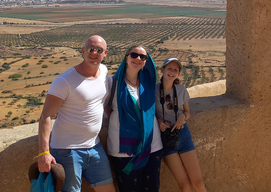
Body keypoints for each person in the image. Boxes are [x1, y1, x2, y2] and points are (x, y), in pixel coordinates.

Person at [37, 35, 115, 192]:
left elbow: (101, 101)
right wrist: (44, 152)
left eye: (99, 50)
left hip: (95, 146)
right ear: (83, 51)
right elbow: (46, 116)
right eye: (90, 49)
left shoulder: (104, 72)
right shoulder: (64, 81)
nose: (94, 52)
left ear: (105, 53)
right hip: (67, 150)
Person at [106, 45, 163, 192]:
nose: (138, 59)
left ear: (146, 61)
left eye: (142, 57)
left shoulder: (149, 84)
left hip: (152, 145)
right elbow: (103, 107)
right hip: (123, 149)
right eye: (134, 55)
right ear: (126, 57)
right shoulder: (112, 84)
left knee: (152, 188)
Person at [156, 57, 207, 192]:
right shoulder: (154, 90)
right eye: (169, 69)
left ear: (178, 74)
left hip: (183, 135)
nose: (172, 72)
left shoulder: (181, 90)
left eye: (175, 70)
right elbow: (149, 113)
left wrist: (182, 117)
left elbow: (187, 112)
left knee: (198, 182)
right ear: (162, 70)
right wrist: (159, 122)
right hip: (166, 139)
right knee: (184, 185)